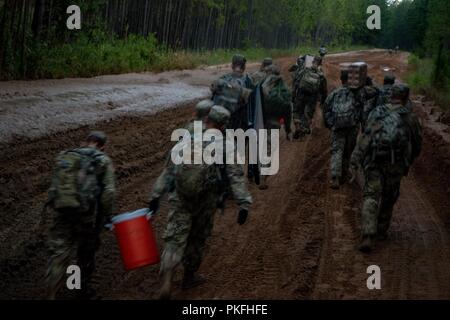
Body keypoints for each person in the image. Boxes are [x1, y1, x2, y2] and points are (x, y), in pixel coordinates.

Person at [149, 106, 253, 299]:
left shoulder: (186, 139)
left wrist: (155, 196)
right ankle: (189, 277)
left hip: (181, 197)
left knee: (174, 236)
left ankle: (167, 279)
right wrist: (243, 202)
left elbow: (169, 170)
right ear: (223, 125)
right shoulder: (225, 144)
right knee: (197, 239)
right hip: (206, 201)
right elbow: (235, 175)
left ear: (206, 121)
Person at [351, 84, 422, 253]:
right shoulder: (410, 117)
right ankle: (381, 231)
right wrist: (408, 161)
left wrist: (357, 159)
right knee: (389, 196)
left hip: (375, 161)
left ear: (391, 96)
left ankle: (368, 234)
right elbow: (417, 144)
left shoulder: (377, 112)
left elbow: (366, 134)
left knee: (371, 195)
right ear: (405, 98)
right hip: (395, 165)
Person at [45, 131, 116, 299]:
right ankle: (79, 289)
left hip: (62, 212)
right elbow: (109, 192)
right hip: (87, 217)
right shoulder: (103, 160)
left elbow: (55, 186)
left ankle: (51, 294)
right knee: (84, 253)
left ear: (86, 141)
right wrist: (106, 215)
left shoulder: (66, 156)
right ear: (103, 146)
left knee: (59, 253)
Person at [323, 70, 361, 189]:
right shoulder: (357, 93)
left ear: (341, 79)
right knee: (348, 151)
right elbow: (362, 109)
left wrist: (330, 124)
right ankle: (344, 174)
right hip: (352, 127)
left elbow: (326, 109)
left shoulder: (335, 93)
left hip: (338, 126)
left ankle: (335, 177)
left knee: (337, 150)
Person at [259, 64, 293, 190]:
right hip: (274, 123)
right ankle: (263, 175)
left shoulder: (261, 86)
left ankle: (252, 173)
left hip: (260, 121)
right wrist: (288, 129)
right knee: (269, 149)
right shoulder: (284, 89)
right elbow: (287, 111)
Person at [211, 54, 254, 130]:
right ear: (244, 67)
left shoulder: (223, 78)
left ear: (232, 65)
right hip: (236, 122)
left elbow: (212, 94)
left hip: (218, 118)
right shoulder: (248, 81)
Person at [293, 56, 328, 138]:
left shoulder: (305, 70)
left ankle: (298, 127)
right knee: (308, 113)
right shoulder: (321, 75)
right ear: (320, 64)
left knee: (297, 111)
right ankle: (304, 129)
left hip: (301, 93)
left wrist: (294, 94)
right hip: (313, 96)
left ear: (312, 62)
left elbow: (296, 81)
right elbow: (324, 90)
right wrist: (322, 100)